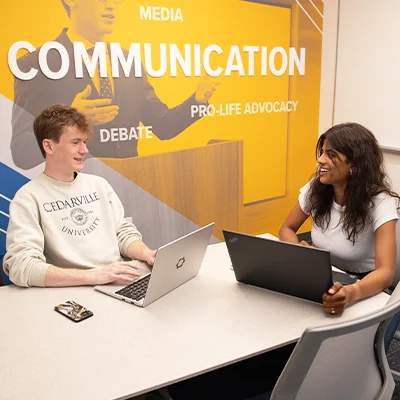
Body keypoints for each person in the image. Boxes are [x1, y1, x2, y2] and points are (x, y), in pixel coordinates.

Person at [11, 0, 219, 169]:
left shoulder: (128, 60)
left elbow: (162, 126)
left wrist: (197, 100)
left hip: (132, 187)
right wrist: (71, 123)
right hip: (73, 197)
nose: (112, 5)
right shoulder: (35, 63)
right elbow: (22, 153)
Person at [4, 104, 156, 288]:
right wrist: (93, 276)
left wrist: (147, 254)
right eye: (75, 143)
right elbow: (22, 266)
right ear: (49, 146)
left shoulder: (99, 185)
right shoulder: (28, 198)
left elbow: (123, 233)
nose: (84, 150)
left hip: (120, 281)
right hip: (77, 290)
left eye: (84, 142)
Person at [279, 122, 399, 316]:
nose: (320, 160)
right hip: (321, 279)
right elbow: (287, 228)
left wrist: (351, 293)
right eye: (322, 152)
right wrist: (300, 253)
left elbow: (385, 273)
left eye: (331, 155)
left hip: (364, 287)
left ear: (354, 165)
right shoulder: (316, 187)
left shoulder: (381, 202)